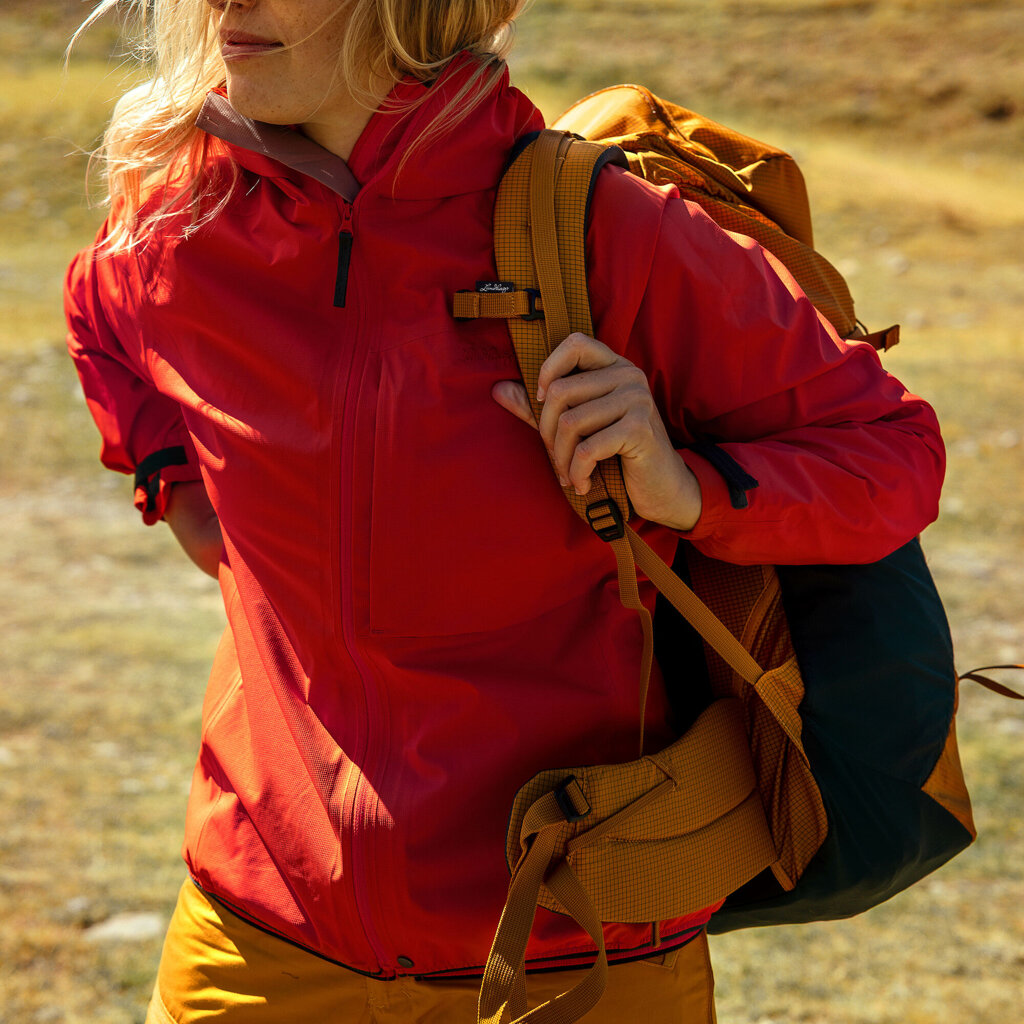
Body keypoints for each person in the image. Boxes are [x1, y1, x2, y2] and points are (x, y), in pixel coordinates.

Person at [64, 1, 945, 1020]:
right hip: (255, 940)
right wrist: (187, 500)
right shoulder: (180, 217)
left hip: (573, 947)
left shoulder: (608, 231)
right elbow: (99, 314)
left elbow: (888, 454)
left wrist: (684, 488)